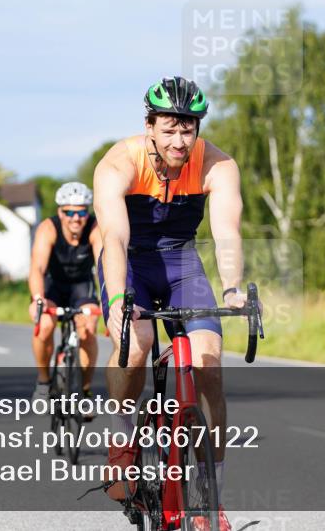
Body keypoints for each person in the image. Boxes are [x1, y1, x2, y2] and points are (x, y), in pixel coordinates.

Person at [94, 76, 245, 531]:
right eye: (170, 128)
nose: (180, 140)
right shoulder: (119, 163)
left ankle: (210, 490)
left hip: (181, 262)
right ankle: (122, 443)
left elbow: (226, 235)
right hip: (131, 263)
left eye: (189, 129)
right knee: (136, 342)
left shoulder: (218, 165)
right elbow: (115, 238)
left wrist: (234, 287)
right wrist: (120, 298)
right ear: (150, 126)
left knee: (209, 363)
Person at [27, 181, 102, 403]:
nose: (75, 218)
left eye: (81, 212)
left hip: (82, 286)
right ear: (60, 212)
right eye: (69, 212)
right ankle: (43, 382)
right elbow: (37, 268)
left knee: (88, 329)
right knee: (45, 326)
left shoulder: (96, 228)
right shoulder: (47, 228)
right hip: (53, 285)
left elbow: (103, 265)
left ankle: (85, 390)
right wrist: (37, 299)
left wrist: (112, 299)